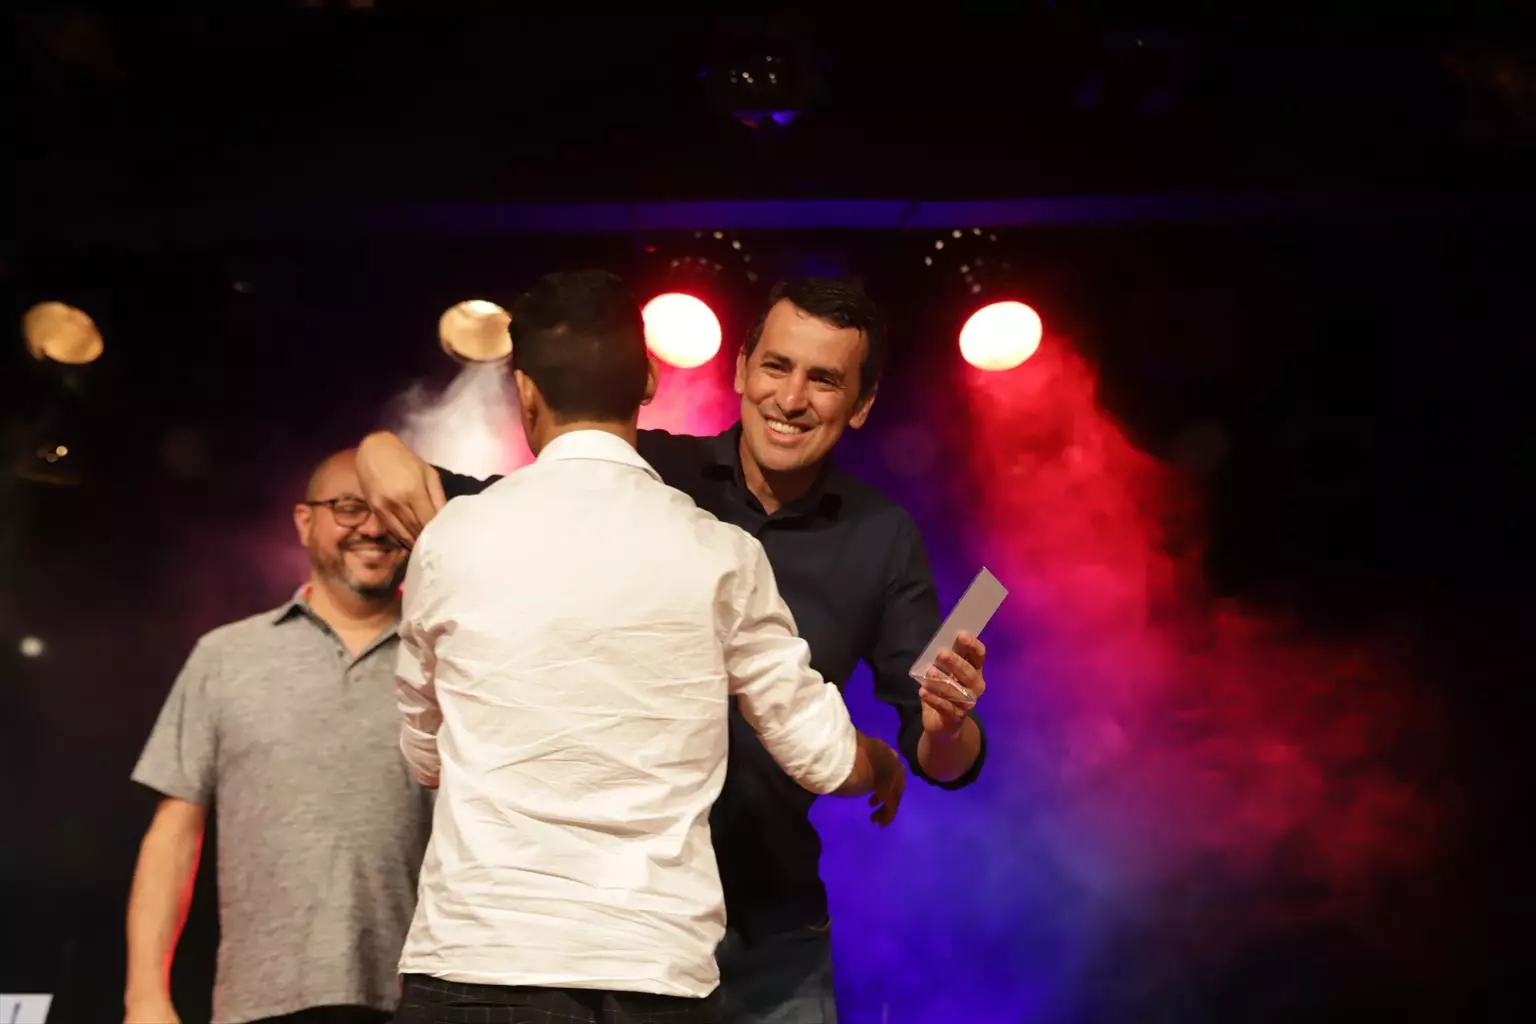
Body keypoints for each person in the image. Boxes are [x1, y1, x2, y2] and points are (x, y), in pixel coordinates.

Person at [359, 276, 991, 1023]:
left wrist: (943, 730)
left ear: (862, 403)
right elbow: (487, 503)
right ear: (741, 369)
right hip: (599, 928)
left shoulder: (882, 539)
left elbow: (935, 747)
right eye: (777, 366)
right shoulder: (641, 470)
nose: (791, 398)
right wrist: (376, 450)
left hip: (760, 931)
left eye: (824, 380)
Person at [124, 450, 431, 1024]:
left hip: (417, 1002)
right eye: (349, 507)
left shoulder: (444, 658)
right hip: (260, 1002)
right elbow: (174, 835)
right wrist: (144, 996)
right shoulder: (226, 656)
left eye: (389, 511)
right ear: (304, 521)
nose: (372, 527)